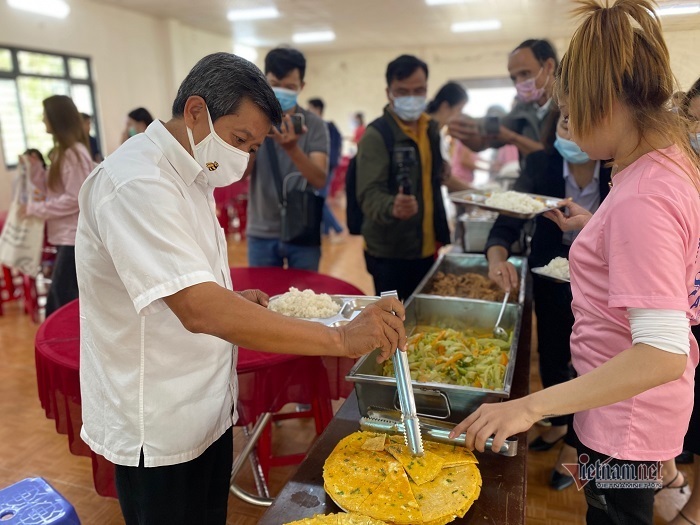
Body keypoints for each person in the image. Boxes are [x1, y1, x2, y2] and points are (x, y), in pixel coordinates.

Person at [75, 52, 406, 525]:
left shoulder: (189, 173)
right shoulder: (136, 183)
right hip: (159, 416)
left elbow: (184, 280)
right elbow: (196, 308)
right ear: (195, 112)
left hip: (203, 405)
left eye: (253, 148)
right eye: (240, 140)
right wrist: (339, 338)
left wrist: (230, 300)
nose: (245, 159)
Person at [451, 2, 700, 523]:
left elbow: (661, 352)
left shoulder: (643, 196)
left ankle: (656, 482)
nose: (565, 127)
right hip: (633, 411)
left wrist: (529, 406)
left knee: (613, 506)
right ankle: (662, 479)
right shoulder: (661, 163)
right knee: (623, 491)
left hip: (624, 420)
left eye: (568, 112)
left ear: (604, 102)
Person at [486, 109, 612, 491]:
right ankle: (559, 422)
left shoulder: (617, 164)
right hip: (551, 274)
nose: (570, 131)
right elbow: (510, 215)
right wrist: (496, 255)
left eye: (579, 121)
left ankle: (577, 446)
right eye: (563, 123)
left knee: (591, 361)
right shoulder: (542, 162)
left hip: (603, 280)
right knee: (554, 351)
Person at [356, 54, 450, 300]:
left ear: (427, 89)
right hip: (390, 252)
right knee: (394, 323)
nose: (411, 97)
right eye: (402, 91)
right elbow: (368, 194)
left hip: (427, 245)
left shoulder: (431, 129)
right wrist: (392, 206)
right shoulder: (376, 135)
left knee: (423, 320)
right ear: (389, 93)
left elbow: (430, 180)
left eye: (418, 90)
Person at [246, 47, 329, 270]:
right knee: (260, 301)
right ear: (264, 82)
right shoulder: (252, 120)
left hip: (303, 228)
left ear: (302, 86)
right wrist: (254, 139)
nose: (281, 91)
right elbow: (241, 174)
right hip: (261, 230)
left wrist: (292, 149)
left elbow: (319, 179)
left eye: (290, 87)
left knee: (305, 301)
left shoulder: (314, 125)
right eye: (274, 84)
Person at [20, 95, 93, 317]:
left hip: (72, 236)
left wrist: (34, 210)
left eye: (45, 115)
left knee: (62, 300)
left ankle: (68, 347)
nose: (43, 120)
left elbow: (74, 198)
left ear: (56, 118)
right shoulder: (62, 153)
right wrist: (35, 170)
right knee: (60, 299)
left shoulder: (73, 153)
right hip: (65, 236)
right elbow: (52, 191)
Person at [449, 39, 558, 165]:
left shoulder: (569, 106)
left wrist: (511, 137)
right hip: (531, 182)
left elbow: (555, 159)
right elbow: (484, 142)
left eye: (525, 73)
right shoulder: (523, 109)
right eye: (514, 78)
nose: (519, 83)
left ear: (549, 66)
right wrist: (464, 132)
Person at [308, 97, 344, 237]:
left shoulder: (323, 126)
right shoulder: (327, 126)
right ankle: (325, 229)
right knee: (320, 199)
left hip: (323, 169)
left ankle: (337, 227)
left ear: (317, 109)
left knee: (319, 201)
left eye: (310, 108)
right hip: (326, 168)